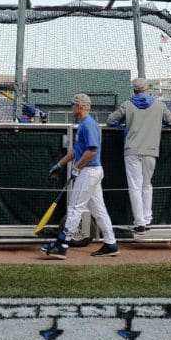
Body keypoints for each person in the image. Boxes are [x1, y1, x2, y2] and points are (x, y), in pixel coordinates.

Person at [41, 93, 119, 259]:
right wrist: (60, 165)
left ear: (80, 107)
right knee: (99, 210)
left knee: (75, 207)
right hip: (91, 171)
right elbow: (77, 150)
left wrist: (77, 167)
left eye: (73, 105)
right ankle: (111, 243)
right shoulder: (84, 124)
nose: (72, 108)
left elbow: (92, 151)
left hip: (89, 171)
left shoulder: (88, 124)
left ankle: (61, 245)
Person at [107, 77, 171, 233]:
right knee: (147, 185)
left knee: (135, 187)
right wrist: (159, 122)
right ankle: (147, 219)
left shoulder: (127, 104)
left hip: (132, 150)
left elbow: (110, 121)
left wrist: (123, 123)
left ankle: (140, 222)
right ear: (147, 89)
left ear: (134, 90)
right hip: (151, 150)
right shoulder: (159, 105)